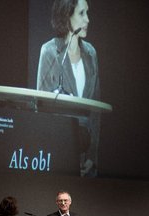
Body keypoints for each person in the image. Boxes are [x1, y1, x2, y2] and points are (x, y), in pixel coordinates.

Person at [37, 0, 101, 178]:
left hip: (86, 156)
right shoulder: (49, 51)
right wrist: (54, 155)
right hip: (58, 153)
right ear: (67, 15)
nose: (87, 19)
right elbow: (41, 108)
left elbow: (96, 113)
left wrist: (92, 157)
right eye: (82, 13)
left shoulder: (91, 54)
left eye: (87, 13)